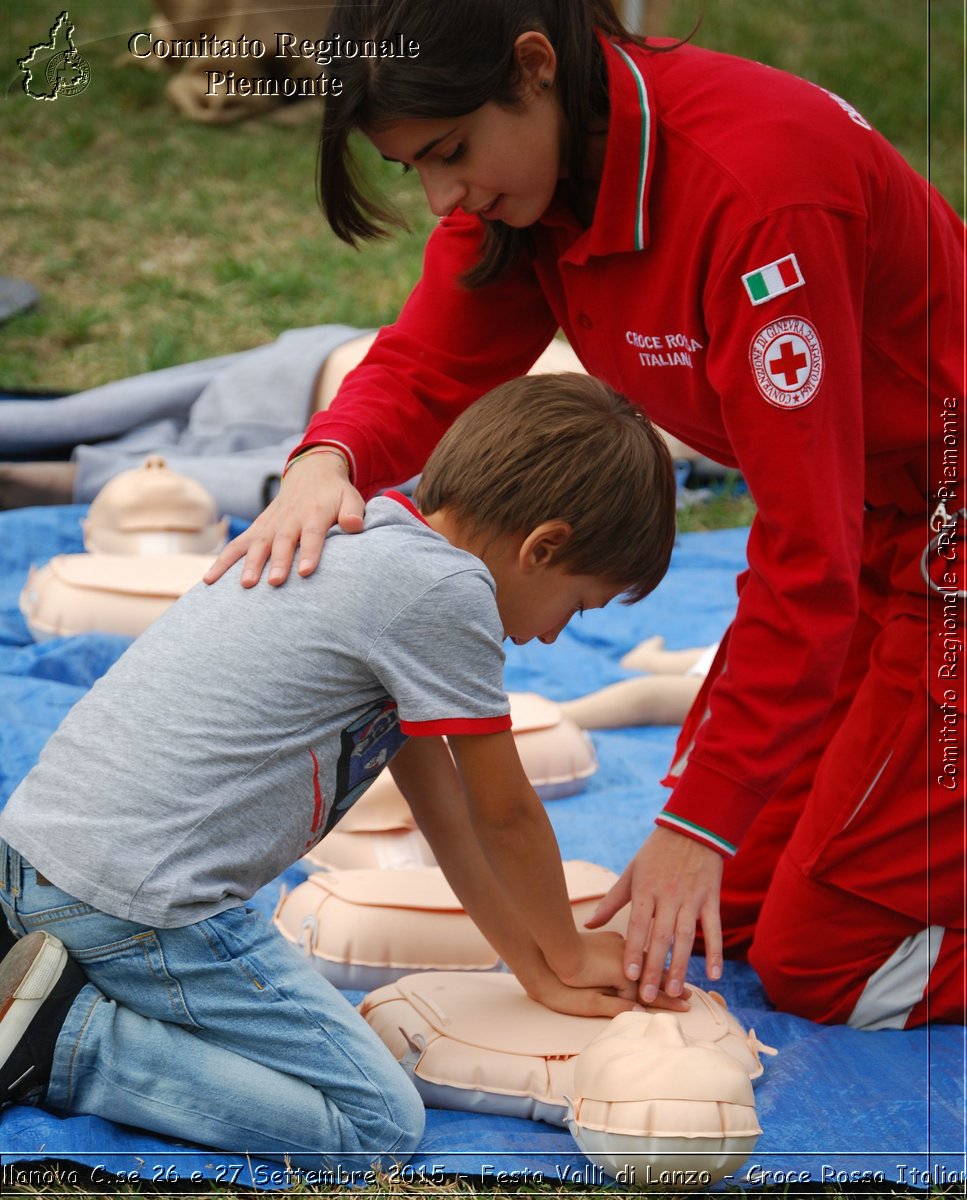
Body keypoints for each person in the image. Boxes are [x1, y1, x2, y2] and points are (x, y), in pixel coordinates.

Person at [205, 0, 965, 1029]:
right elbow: (430, 360)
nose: (441, 198)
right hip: (875, 529)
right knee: (711, 917)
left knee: (826, 964)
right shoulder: (544, 179)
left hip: (939, 544)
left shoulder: (758, 201)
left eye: (450, 153)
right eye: (413, 169)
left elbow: (803, 557)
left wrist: (697, 819)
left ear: (532, 69)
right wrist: (325, 460)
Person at [0, 373, 679, 1167]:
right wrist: (568, 951)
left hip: (35, 866)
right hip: (143, 910)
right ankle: (63, 1043)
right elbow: (505, 815)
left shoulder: (375, 538)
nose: (561, 636)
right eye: (580, 606)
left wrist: (533, 968)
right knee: (376, 1125)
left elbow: (447, 812)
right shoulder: (448, 593)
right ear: (543, 548)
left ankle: (39, 979)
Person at [560, 636, 720, 730]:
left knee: (649, 696)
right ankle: (644, 660)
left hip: (737, 688)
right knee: (706, 659)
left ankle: (558, 716)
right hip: (732, 658)